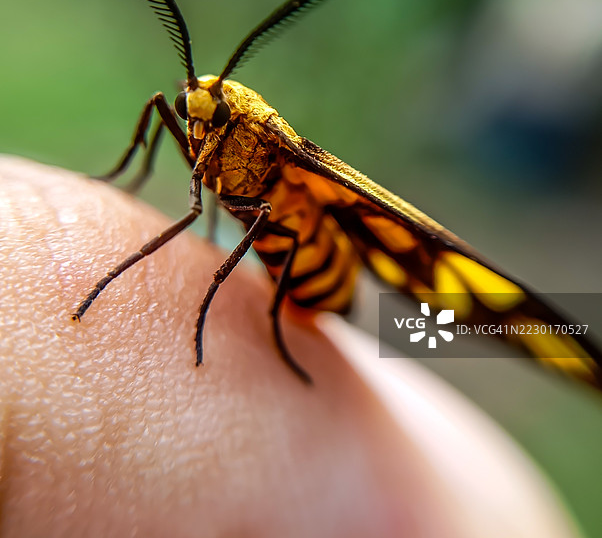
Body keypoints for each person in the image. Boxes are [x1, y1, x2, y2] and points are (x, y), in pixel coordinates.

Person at [0, 157, 579, 537]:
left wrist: (212, 302)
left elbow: (256, 216)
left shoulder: (279, 157)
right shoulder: (197, 130)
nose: (196, 134)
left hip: (315, 273)